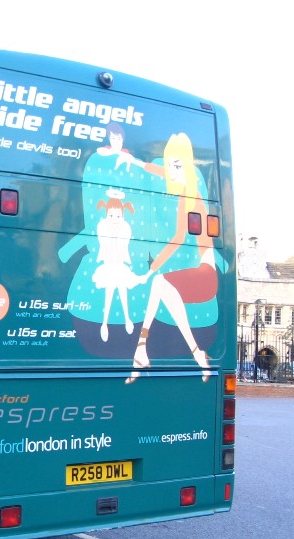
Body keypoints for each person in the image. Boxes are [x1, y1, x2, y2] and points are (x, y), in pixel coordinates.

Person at [123, 133, 215, 383]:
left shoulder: (190, 196)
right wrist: (135, 162)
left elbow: (177, 239)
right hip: (202, 271)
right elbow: (162, 172)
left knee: (159, 282)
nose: (171, 171)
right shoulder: (183, 185)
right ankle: (192, 354)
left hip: (207, 275)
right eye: (170, 164)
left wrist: (150, 270)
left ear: (186, 165)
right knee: (165, 292)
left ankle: (142, 351)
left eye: (177, 165)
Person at [92, 189, 142, 341]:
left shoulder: (125, 228)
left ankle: (127, 319)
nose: (114, 219)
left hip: (120, 266)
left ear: (123, 215)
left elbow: (124, 246)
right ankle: (104, 324)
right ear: (106, 214)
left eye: (118, 216)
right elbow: (103, 244)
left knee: (122, 291)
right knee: (109, 294)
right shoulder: (102, 226)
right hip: (109, 266)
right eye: (111, 215)